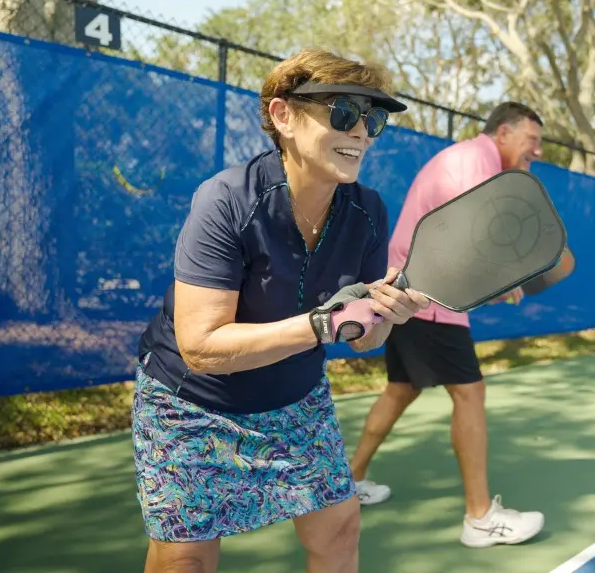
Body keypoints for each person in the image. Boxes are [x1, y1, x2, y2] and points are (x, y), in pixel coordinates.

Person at [131, 48, 430, 573]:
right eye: (343, 113)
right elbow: (201, 347)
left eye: (374, 119)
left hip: (297, 399)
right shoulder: (225, 200)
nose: (361, 131)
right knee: (186, 561)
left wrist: (386, 317)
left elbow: (364, 339)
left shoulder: (369, 211)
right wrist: (321, 324)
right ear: (283, 115)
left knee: (339, 528)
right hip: (192, 403)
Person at [347, 102, 546, 548]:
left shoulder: (471, 161)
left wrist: (501, 281)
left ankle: (347, 482)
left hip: (411, 288)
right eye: (531, 139)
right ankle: (479, 518)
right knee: (470, 392)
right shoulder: (476, 162)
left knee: (401, 389)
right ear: (503, 133)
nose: (537, 150)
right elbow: (472, 243)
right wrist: (504, 284)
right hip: (427, 296)